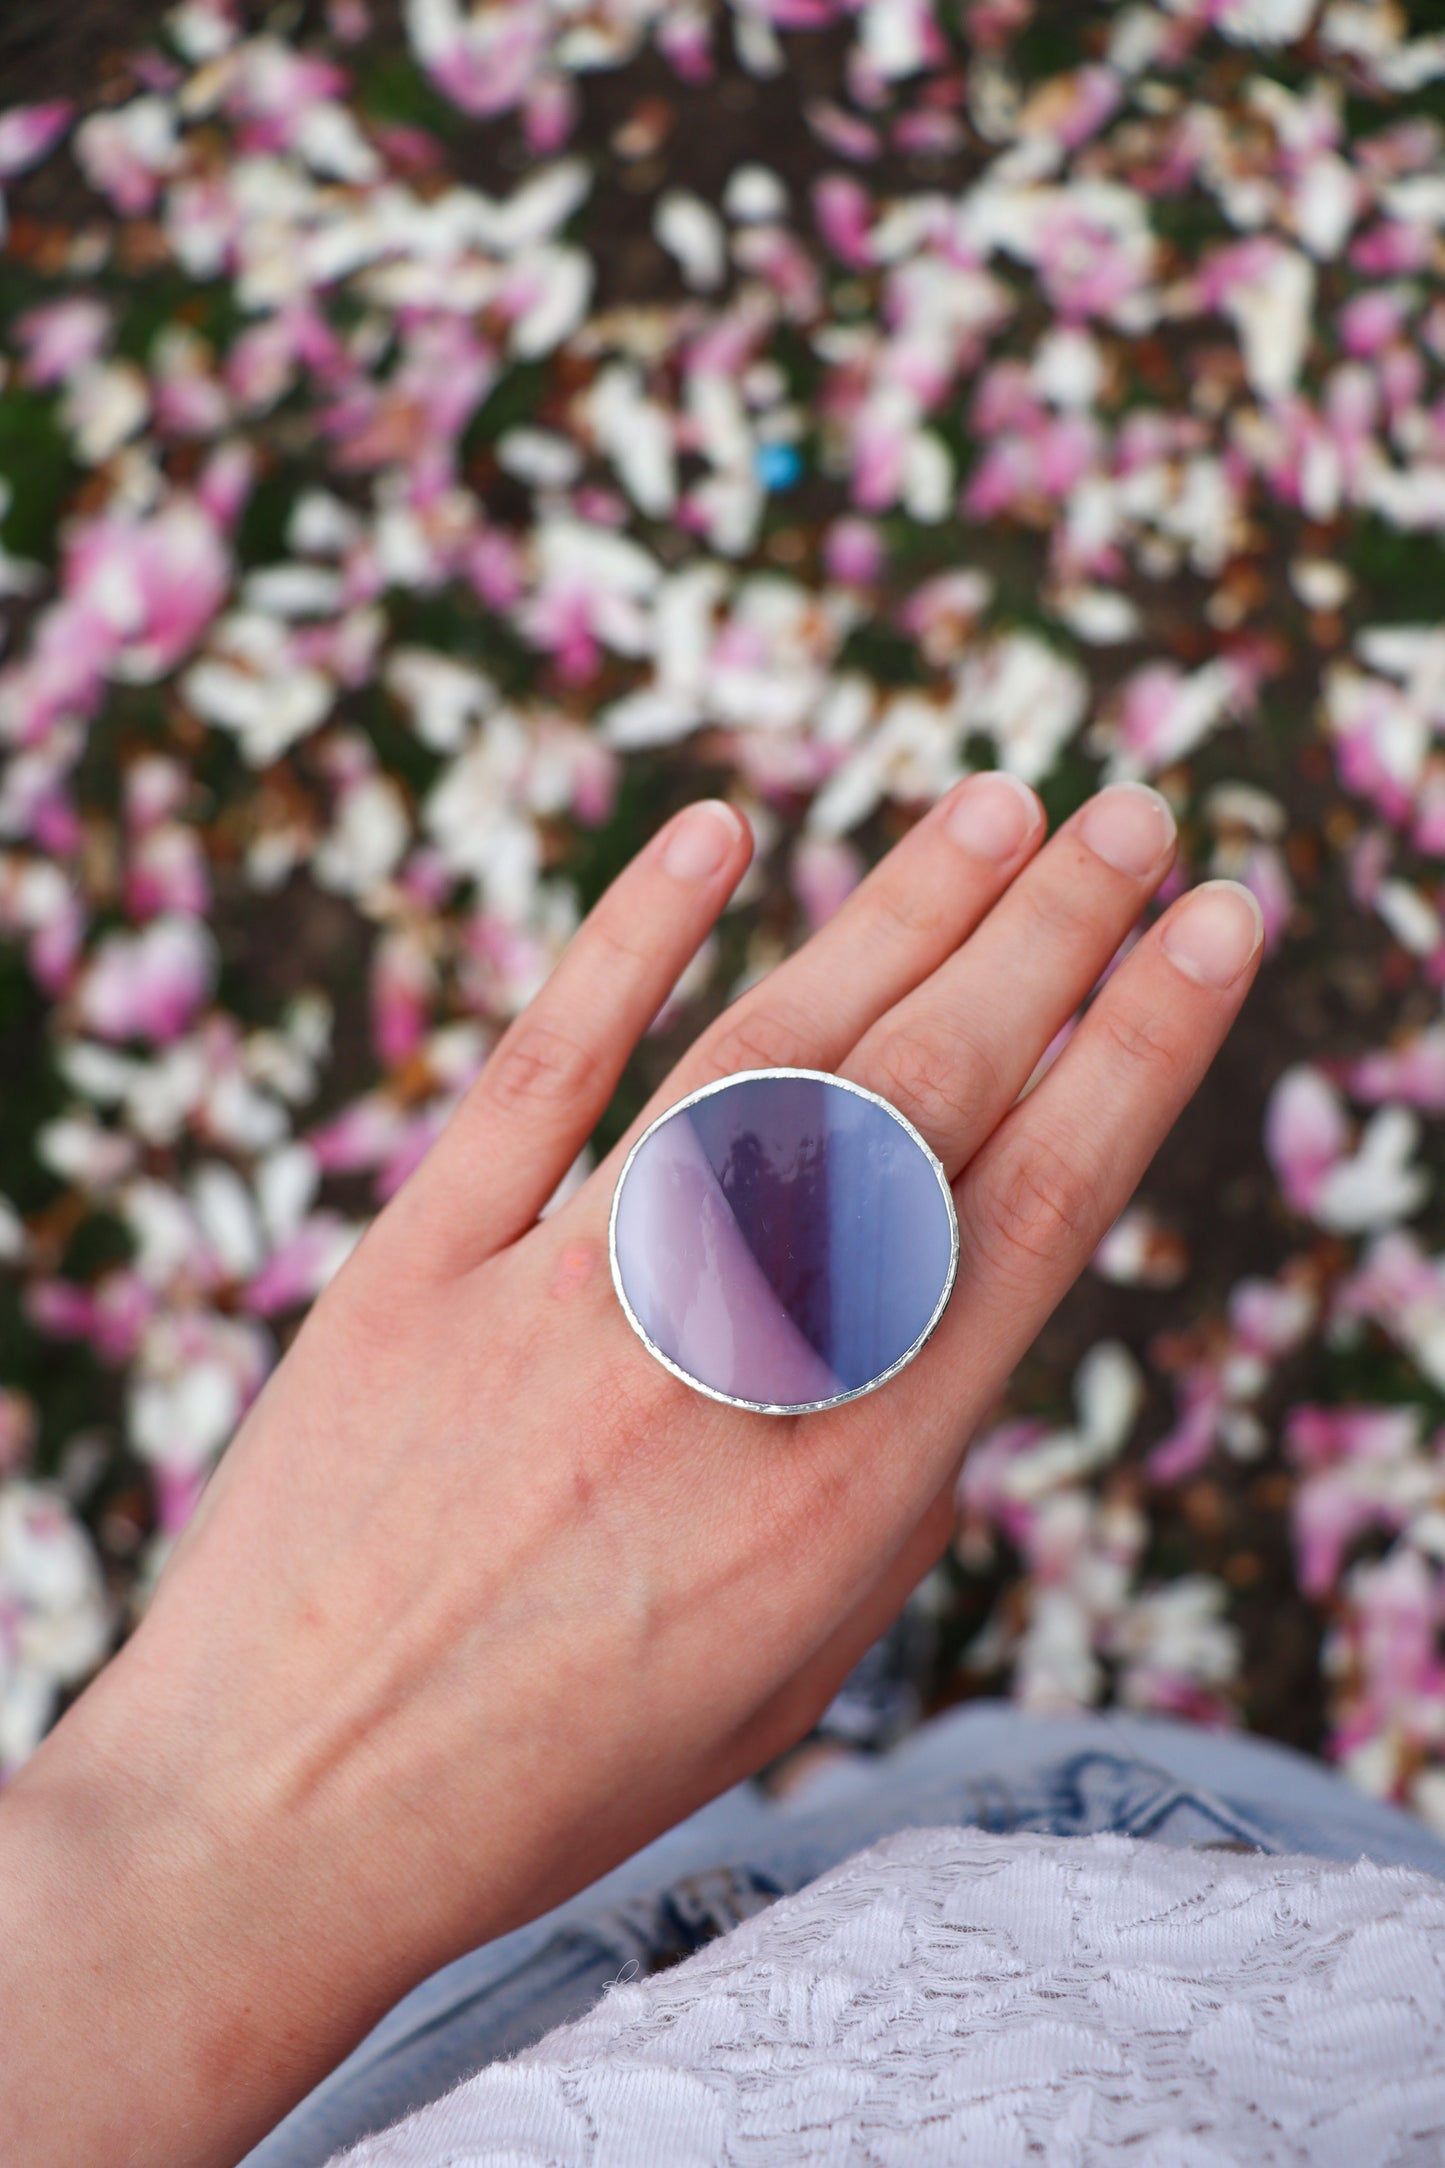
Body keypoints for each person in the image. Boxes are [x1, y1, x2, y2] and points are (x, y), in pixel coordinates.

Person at [9, 773, 1433, 2168]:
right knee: (977, 1797)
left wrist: (174, 1832)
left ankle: (780, 1718)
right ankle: (797, 1719)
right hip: (1164, 1989)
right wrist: (207, 1853)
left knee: (695, 1781)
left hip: (376, 2057)